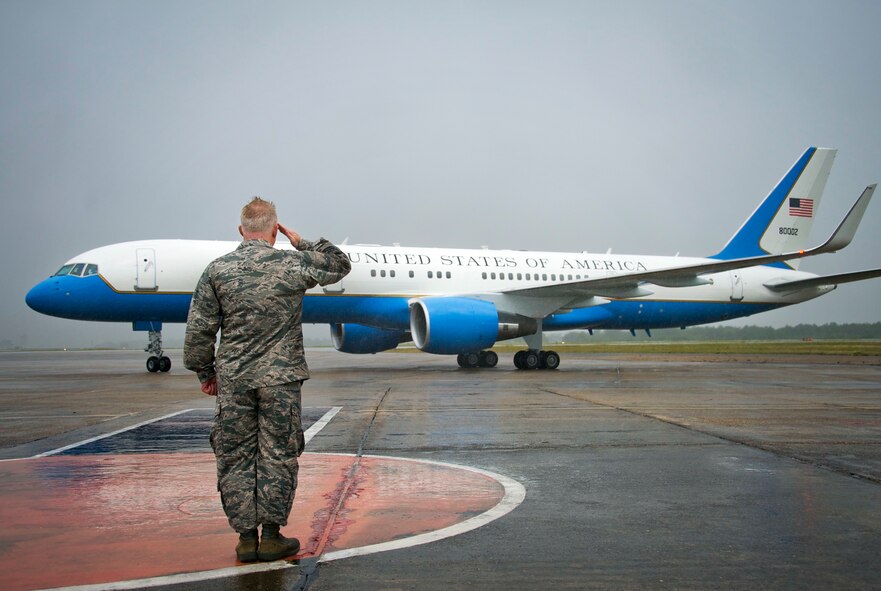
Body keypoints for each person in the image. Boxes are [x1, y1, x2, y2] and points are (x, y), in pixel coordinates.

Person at [184, 196, 351, 562]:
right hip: (280, 381)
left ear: (241, 231)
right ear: (275, 230)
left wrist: (205, 372)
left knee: (235, 455)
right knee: (278, 453)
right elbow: (340, 264)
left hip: (235, 381)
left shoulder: (217, 271)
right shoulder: (291, 263)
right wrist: (302, 242)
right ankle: (273, 536)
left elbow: (199, 330)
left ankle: (246, 539)